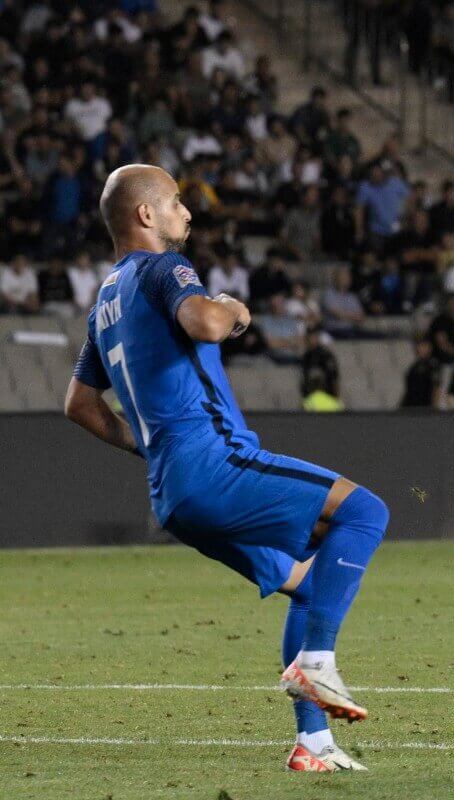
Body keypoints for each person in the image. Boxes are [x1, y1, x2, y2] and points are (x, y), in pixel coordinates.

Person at [63, 165, 390, 772]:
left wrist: (147, 444)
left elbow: (78, 404)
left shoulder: (103, 305)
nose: (186, 213)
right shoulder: (166, 269)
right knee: (367, 511)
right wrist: (233, 310)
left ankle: (313, 744)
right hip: (215, 463)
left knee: (310, 586)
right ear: (146, 216)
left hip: (172, 494)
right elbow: (204, 322)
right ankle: (316, 663)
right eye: (177, 203)